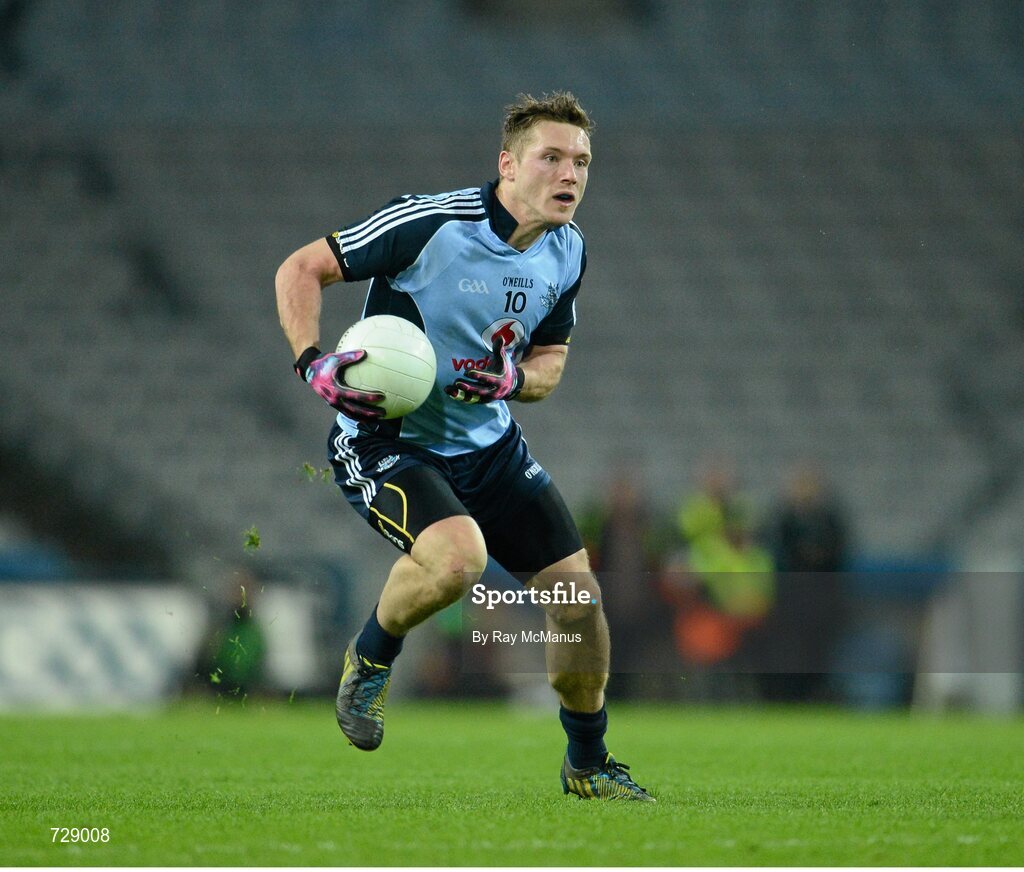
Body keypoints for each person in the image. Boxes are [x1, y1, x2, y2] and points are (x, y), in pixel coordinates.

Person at [275, 92, 652, 801]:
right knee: (458, 561)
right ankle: (371, 659)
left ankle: (589, 764)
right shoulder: (431, 224)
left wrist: (515, 377)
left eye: (582, 162)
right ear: (508, 164)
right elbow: (300, 269)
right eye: (552, 157)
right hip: (387, 440)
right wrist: (312, 361)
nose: (569, 173)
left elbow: (551, 363)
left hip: (490, 449)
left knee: (578, 603)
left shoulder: (568, 252)